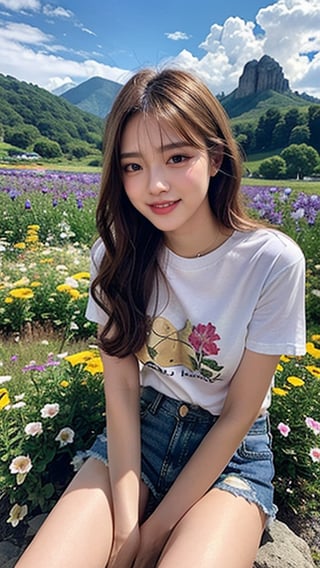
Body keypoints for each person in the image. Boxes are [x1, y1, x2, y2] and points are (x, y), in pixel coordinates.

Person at [16, 68, 306, 568]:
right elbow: (122, 389)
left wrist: (155, 536)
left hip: (229, 455)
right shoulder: (114, 254)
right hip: (139, 433)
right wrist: (126, 530)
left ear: (215, 157)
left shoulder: (271, 261)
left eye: (177, 157)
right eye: (132, 166)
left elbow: (240, 412)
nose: (154, 184)